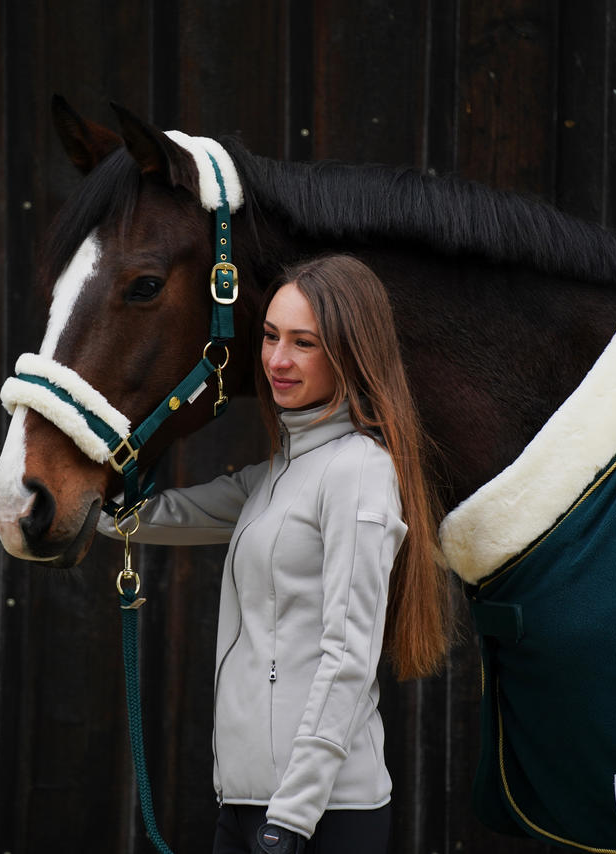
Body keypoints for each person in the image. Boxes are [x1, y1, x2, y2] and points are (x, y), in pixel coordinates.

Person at [100, 253, 450, 854]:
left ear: (350, 352)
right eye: (269, 336)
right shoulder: (279, 473)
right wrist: (80, 497)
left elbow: (348, 657)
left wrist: (291, 817)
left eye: (303, 343)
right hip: (244, 803)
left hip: (318, 815)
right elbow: (163, 515)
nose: (277, 361)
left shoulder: (357, 472)